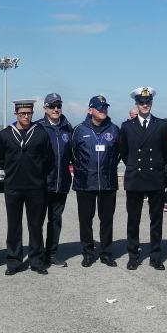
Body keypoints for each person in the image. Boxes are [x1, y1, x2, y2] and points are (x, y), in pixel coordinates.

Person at [0, 99, 52, 275]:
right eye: (22, 114)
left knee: (35, 225)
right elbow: (0, 157)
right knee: (14, 226)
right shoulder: (5, 134)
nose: (26, 116)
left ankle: (36, 261)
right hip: (13, 186)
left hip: (35, 186)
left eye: (29, 113)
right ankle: (13, 262)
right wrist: (12, 169)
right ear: (16, 114)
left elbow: (48, 158)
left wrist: (38, 174)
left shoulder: (41, 133)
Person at [119, 86, 167, 270]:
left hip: (155, 177)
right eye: (141, 102)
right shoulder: (126, 126)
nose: (145, 104)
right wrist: (134, 165)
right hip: (135, 177)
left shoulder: (161, 125)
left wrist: (162, 173)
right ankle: (133, 255)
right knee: (133, 220)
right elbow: (124, 152)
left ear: (151, 103)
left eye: (148, 101)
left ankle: (155, 256)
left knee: (156, 220)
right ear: (136, 104)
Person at [71, 95, 120, 267]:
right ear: (90, 110)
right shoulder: (79, 130)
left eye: (105, 107)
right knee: (86, 220)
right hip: (85, 182)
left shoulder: (114, 129)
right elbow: (72, 154)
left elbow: (119, 153)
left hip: (108, 183)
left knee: (107, 220)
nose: (103, 110)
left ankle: (106, 253)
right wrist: (83, 170)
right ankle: (88, 252)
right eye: (99, 108)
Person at [35, 93, 73, 267]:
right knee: (37, 221)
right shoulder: (38, 127)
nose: (56, 109)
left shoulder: (68, 128)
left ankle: (52, 253)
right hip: (41, 184)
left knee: (55, 220)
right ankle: (38, 254)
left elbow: (74, 155)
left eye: (58, 105)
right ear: (45, 108)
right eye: (52, 106)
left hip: (61, 182)